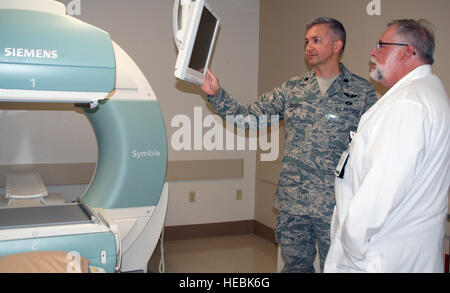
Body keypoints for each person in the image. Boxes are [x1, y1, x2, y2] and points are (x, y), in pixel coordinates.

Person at [201, 17, 377, 273]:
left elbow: (373, 147)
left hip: (336, 204)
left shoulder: (361, 93)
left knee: (338, 267)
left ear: (337, 45)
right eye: (307, 41)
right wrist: (217, 95)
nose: (309, 46)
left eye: (317, 40)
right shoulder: (293, 90)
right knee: (295, 267)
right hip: (294, 200)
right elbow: (250, 118)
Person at [324, 19, 450, 273]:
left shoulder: (408, 104)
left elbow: (382, 188)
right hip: (398, 249)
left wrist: (350, 245)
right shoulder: (427, 94)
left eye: (382, 45)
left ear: (408, 51)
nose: (373, 51)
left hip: (378, 254)